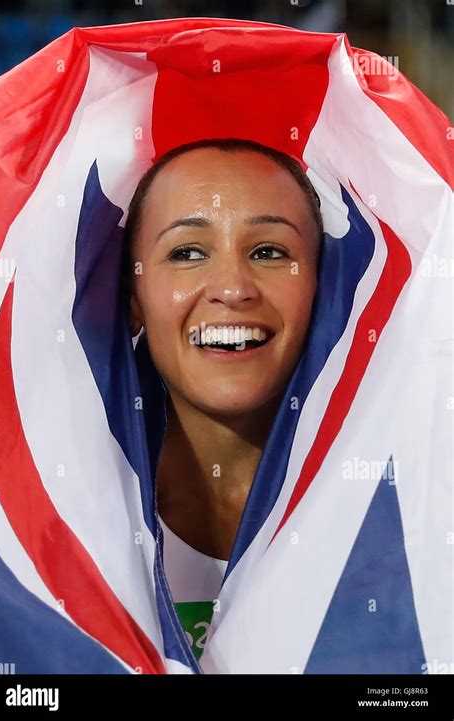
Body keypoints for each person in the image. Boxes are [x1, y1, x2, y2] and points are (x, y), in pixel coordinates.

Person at [121, 137, 323, 658]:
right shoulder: (45, 506)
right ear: (133, 299)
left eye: (269, 252)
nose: (233, 288)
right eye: (187, 253)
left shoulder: (407, 491)